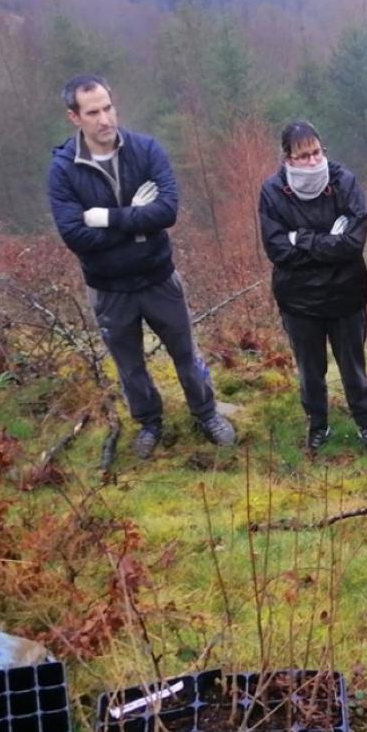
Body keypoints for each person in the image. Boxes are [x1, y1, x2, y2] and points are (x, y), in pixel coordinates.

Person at [47, 74, 236, 459]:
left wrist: (106, 218)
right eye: (93, 112)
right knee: (129, 365)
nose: (105, 119)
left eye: (108, 107)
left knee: (185, 352)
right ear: (74, 117)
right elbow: (75, 237)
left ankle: (206, 412)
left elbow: (166, 211)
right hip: (109, 287)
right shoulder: (64, 170)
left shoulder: (146, 150)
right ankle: (149, 423)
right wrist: (136, 219)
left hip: (158, 277)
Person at [258, 121, 367, 451]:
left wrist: (302, 239)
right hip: (299, 301)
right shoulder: (272, 192)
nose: (313, 162)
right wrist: (329, 241)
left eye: (316, 153)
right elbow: (278, 250)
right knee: (311, 372)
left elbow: (353, 243)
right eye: (303, 156)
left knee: (354, 368)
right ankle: (318, 425)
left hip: (347, 294)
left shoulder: (344, 181)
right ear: (287, 158)